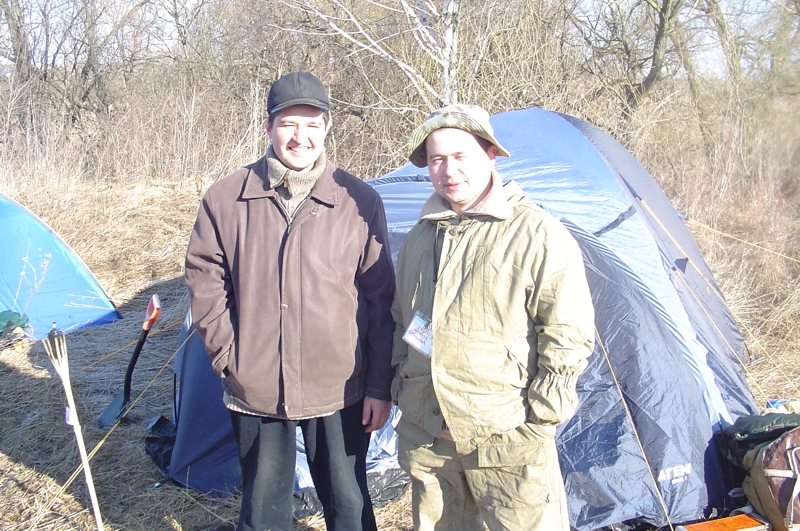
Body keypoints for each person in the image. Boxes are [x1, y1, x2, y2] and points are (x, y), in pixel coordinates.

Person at [185, 71, 395, 531]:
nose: (300, 137)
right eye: (288, 124)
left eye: (312, 124)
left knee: (349, 504)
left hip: (340, 385)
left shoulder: (359, 201)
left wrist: (379, 386)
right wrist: (229, 357)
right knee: (263, 511)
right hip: (256, 386)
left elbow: (381, 302)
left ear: (327, 127)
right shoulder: (225, 199)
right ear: (268, 127)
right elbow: (205, 281)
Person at [391, 104, 596, 531]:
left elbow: (568, 330)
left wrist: (542, 415)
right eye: (437, 159)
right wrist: (403, 384)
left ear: (490, 155)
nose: (449, 170)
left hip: (508, 437)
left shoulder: (535, 232)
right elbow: (407, 322)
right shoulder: (418, 239)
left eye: (461, 155)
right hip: (429, 438)